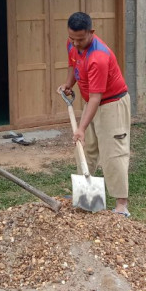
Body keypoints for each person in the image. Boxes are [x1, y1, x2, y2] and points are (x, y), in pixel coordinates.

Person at [58, 12, 131, 216]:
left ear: (91, 32)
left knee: (113, 153)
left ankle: (121, 205)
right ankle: (85, 196)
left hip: (112, 104)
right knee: (86, 149)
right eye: (72, 38)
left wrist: (80, 128)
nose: (75, 43)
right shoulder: (72, 43)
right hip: (93, 102)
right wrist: (68, 84)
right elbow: (73, 65)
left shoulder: (99, 57)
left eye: (80, 39)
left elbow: (96, 98)